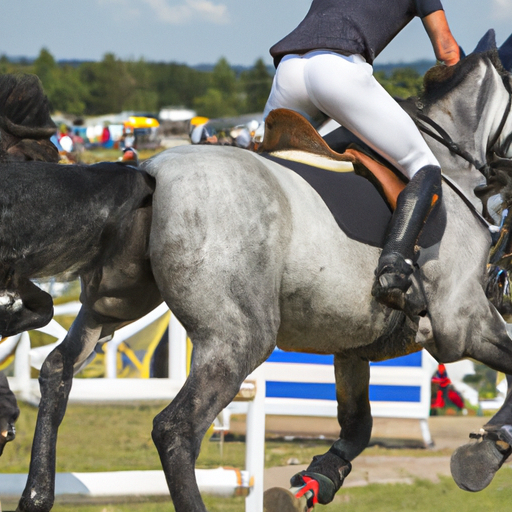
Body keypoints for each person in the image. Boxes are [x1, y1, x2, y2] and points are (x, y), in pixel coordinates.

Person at [261, 0, 460, 310]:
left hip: (288, 71)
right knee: (424, 165)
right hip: (336, 72)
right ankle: (394, 268)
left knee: (268, 164)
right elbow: (447, 52)